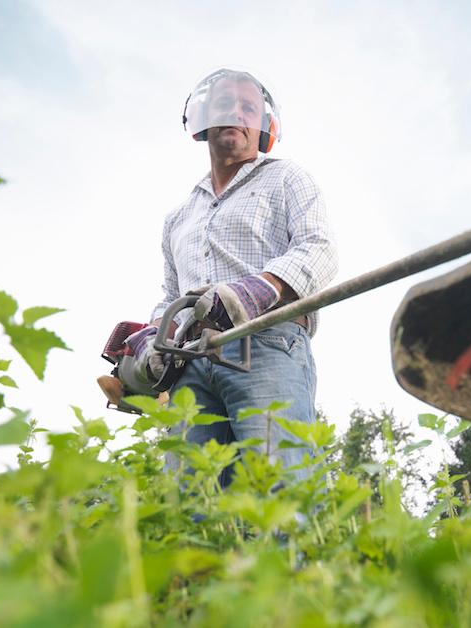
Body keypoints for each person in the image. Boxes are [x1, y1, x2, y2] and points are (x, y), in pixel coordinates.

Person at [122, 68, 337, 486]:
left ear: (264, 126)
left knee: (279, 483)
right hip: (191, 362)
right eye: (224, 105)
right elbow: (171, 295)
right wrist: (153, 337)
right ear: (202, 120)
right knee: (190, 499)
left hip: (267, 343)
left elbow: (320, 249)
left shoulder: (286, 178)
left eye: (248, 107)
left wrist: (251, 292)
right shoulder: (179, 217)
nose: (236, 114)